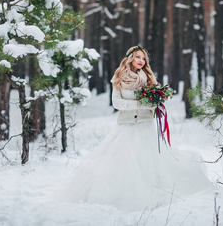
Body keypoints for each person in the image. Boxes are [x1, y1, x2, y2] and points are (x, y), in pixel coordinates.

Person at [55, 46, 213, 211]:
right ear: (130, 58)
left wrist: (155, 103)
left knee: (151, 163)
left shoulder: (149, 78)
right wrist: (137, 104)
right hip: (127, 126)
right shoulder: (119, 78)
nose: (141, 61)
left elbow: (155, 101)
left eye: (144, 58)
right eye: (138, 57)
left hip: (146, 126)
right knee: (122, 163)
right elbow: (117, 102)